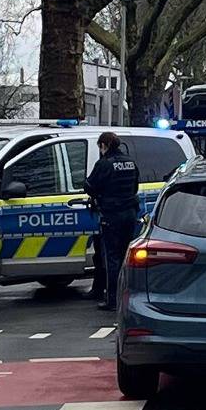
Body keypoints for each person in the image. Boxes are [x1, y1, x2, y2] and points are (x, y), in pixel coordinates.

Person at [83, 132, 141, 311]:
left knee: (112, 258)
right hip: (130, 213)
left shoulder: (104, 164)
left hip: (112, 215)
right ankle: (127, 296)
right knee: (126, 256)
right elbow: (135, 186)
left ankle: (112, 299)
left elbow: (90, 186)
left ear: (104, 145)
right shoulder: (130, 162)